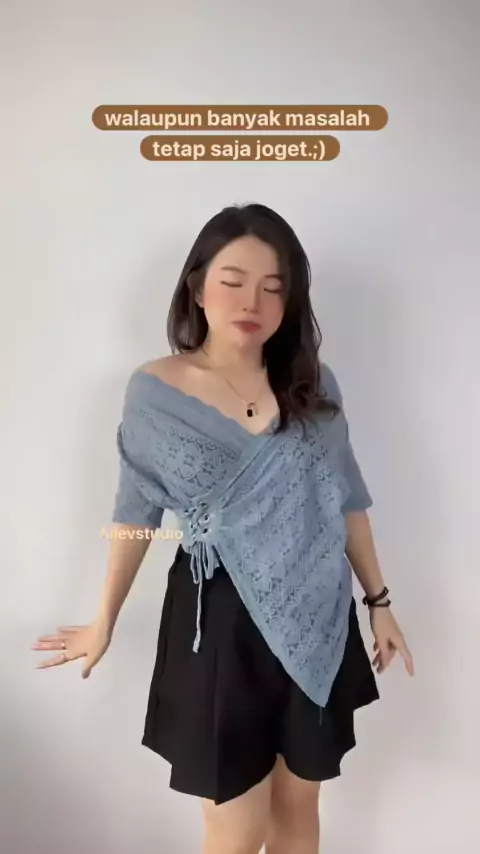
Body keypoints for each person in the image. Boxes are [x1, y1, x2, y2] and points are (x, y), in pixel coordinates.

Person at [32, 202, 414, 854]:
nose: (252, 301)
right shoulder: (155, 390)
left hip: (318, 615)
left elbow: (346, 498)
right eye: (233, 280)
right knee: (235, 829)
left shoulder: (313, 385)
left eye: (273, 287)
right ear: (198, 286)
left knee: (299, 806)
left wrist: (379, 602)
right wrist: (104, 620)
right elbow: (135, 514)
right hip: (218, 622)